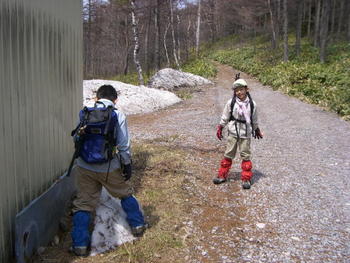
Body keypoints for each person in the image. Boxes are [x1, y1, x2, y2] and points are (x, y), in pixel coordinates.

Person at [70, 84, 147, 256]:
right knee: (125, 193)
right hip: (108, 167)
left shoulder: (85, 112)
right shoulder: (117, 113)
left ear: (97, 97)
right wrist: (127, 165)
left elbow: (76, 138)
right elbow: (124, 145)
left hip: (84, 166)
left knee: (83, 203)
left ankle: (80, 246)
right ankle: (137, 226)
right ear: (115, 99)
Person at [213, 78, 263, 189]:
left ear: (246, 89)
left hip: (245, 133)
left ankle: (246, 179)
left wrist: (256, 129)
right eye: (237, 90)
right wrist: (220, 127)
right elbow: (225, 116)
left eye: (241, 89)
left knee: (245, 155)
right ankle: (222, 175)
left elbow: (254, 119)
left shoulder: (252, 104)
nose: (239, 92)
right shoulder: (231, 103)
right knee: (228, 154)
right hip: (233, 132)